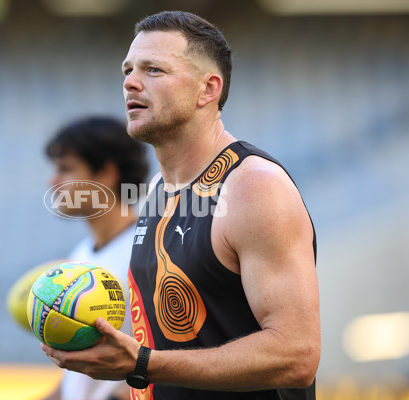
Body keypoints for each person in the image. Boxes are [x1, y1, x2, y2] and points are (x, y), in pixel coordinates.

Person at [41, 11, 321, 400]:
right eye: (128, 69)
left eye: (154, 70)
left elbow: (296, 356)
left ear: (208, 89)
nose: (130, 83)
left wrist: (142, 363)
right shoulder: (158, 189)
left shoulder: (253, 187)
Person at [41, 116, 150, 400]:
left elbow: (169, 358)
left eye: (65, 169)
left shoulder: (150, 252)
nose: (52, 181)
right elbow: (80, 383)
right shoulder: (80, 256)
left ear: (106, 173)